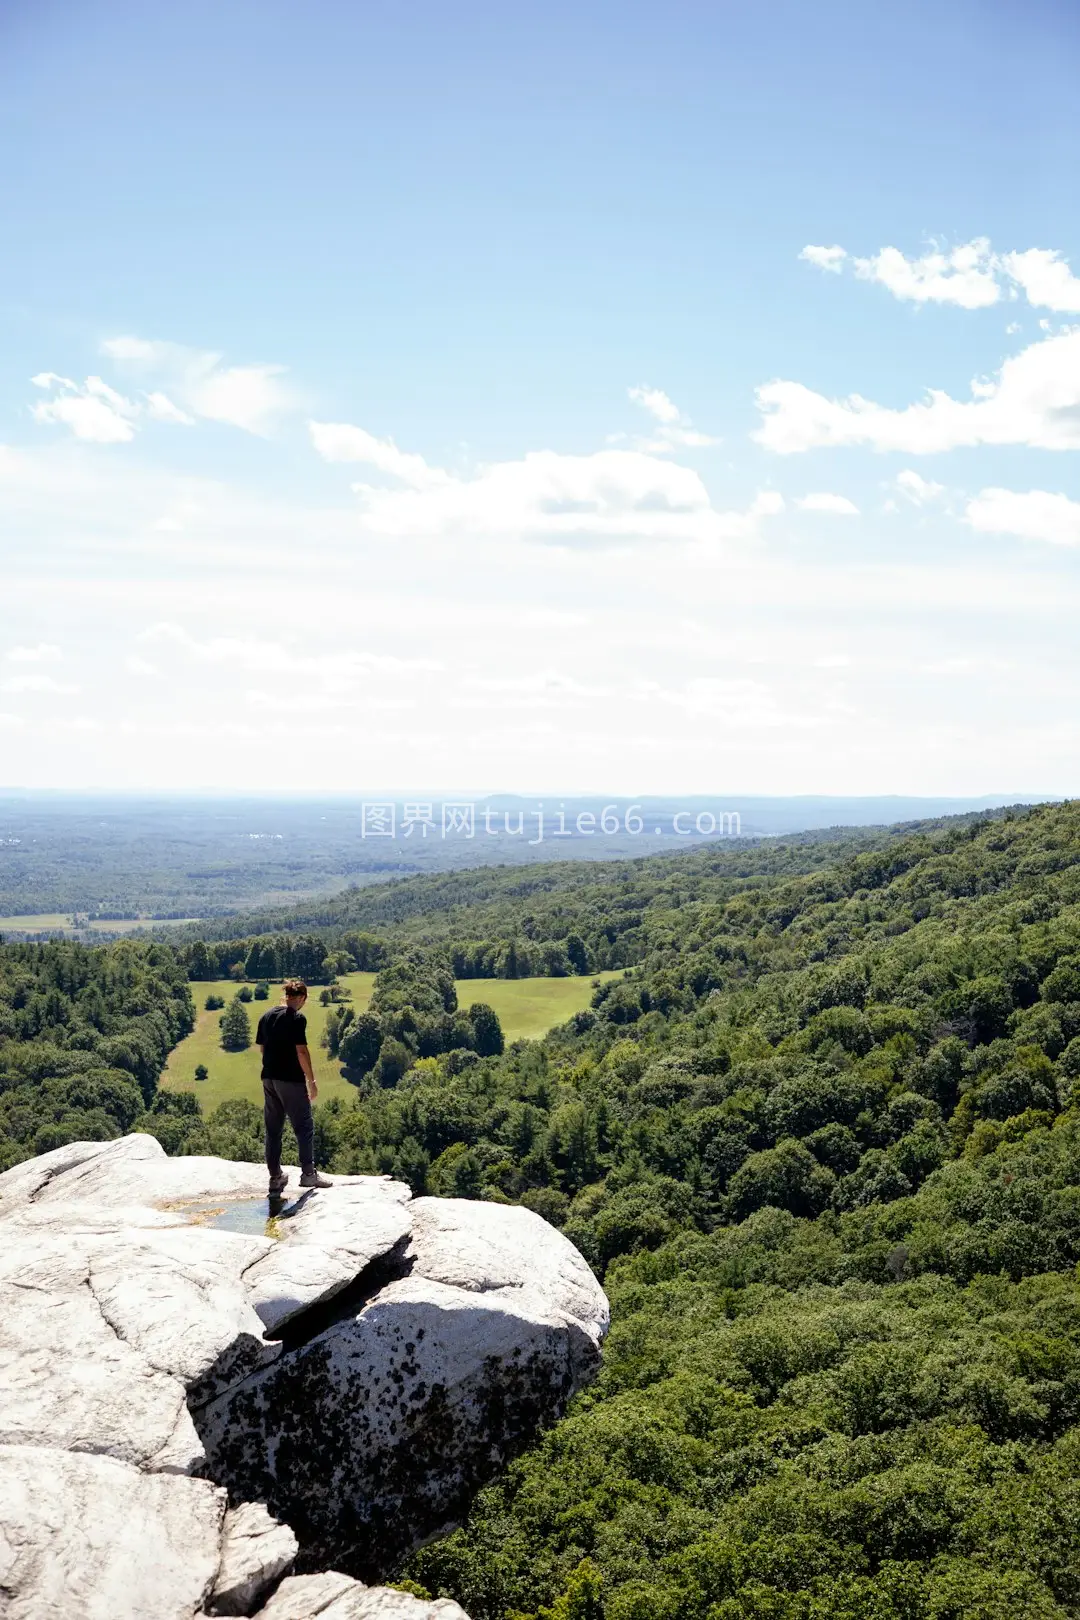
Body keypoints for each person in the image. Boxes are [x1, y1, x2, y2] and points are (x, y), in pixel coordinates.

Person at [255, 977, 331, 1195]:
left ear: (285, 995)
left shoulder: (266, 1016)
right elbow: (301, 1052)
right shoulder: (297, 1018)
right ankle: (308, 1175)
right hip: (290, 1080)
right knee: (304, 1126)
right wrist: (312, 1081)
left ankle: (275, 1178)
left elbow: (262, 1049)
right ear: (302, 998)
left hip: (268, 1078)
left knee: (273, 1129)